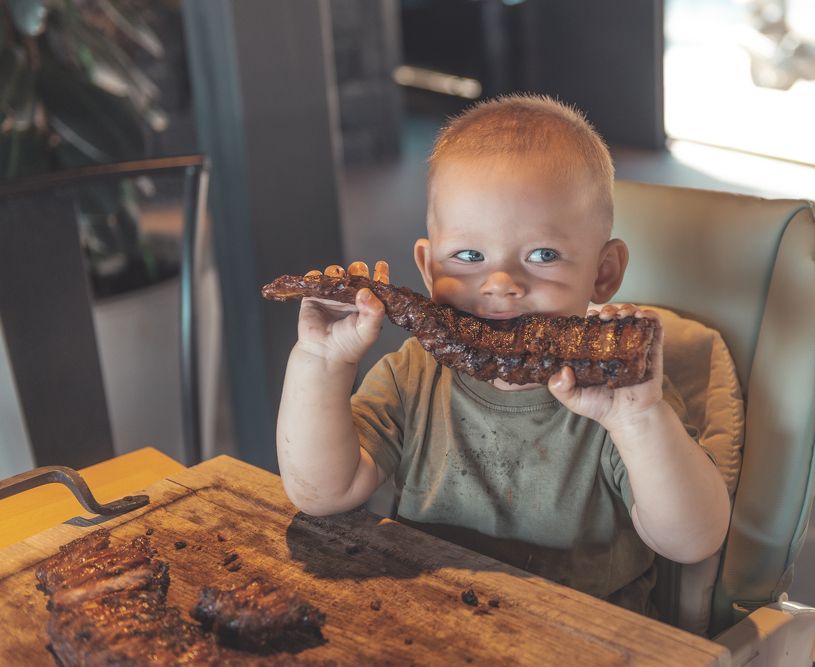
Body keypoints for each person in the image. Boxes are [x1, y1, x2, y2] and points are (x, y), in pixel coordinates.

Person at [276, 94, 731, 618]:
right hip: (429, 621)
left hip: (583, 639)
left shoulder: (620, 398)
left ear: (603, 273)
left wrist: (639, 422)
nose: (500, 284)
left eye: (543, 255)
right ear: (428, 268)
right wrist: (322, 362)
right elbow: (324, 493)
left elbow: (693, 541)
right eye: (468, 256)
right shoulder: (413, 374)